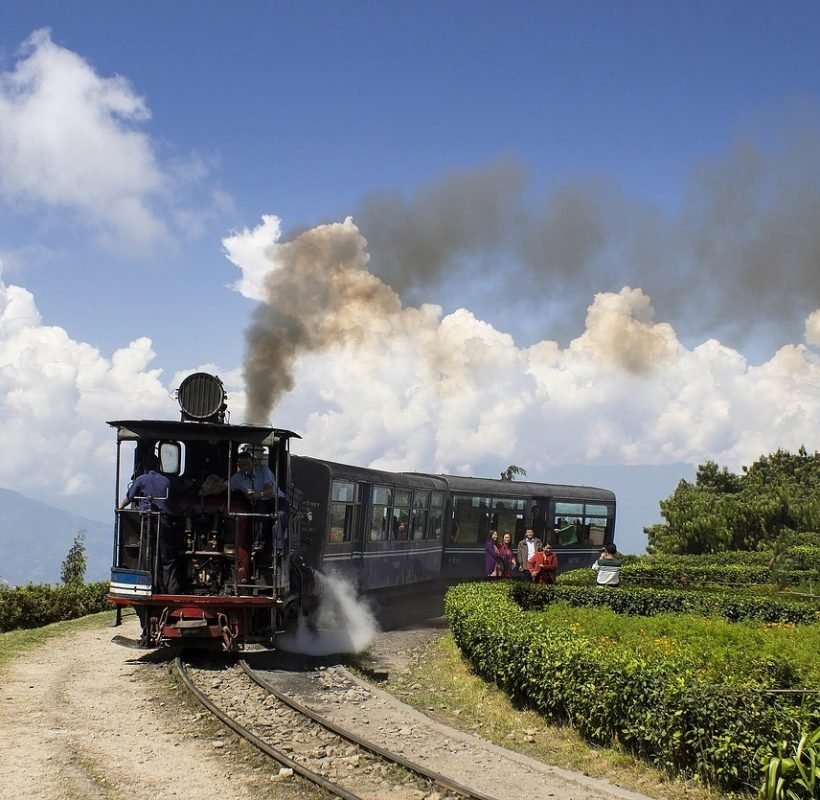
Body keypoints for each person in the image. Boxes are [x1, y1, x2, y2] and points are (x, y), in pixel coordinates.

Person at [119, 453, 181, 594]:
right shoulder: (167, 481)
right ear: (159, 464)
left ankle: (152, 587)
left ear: (144, 466)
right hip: (164, 520)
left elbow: (129, 497)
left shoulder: (141, 479)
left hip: (147, 520)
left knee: (150, 553)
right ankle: (172, 590)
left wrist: (120, 507)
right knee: (167, 556)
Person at [231, 450, 276, 557]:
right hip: (250, 502)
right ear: (238, 466)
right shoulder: (236, 478)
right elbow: (228, 487)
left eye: (247, 464)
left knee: (261, 509)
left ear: (253, 462)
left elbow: (270, 491)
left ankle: (260, 544)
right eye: (242, 465)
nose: (245, 467)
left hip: (269, 500)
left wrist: (258, 494)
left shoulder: (264, 470)